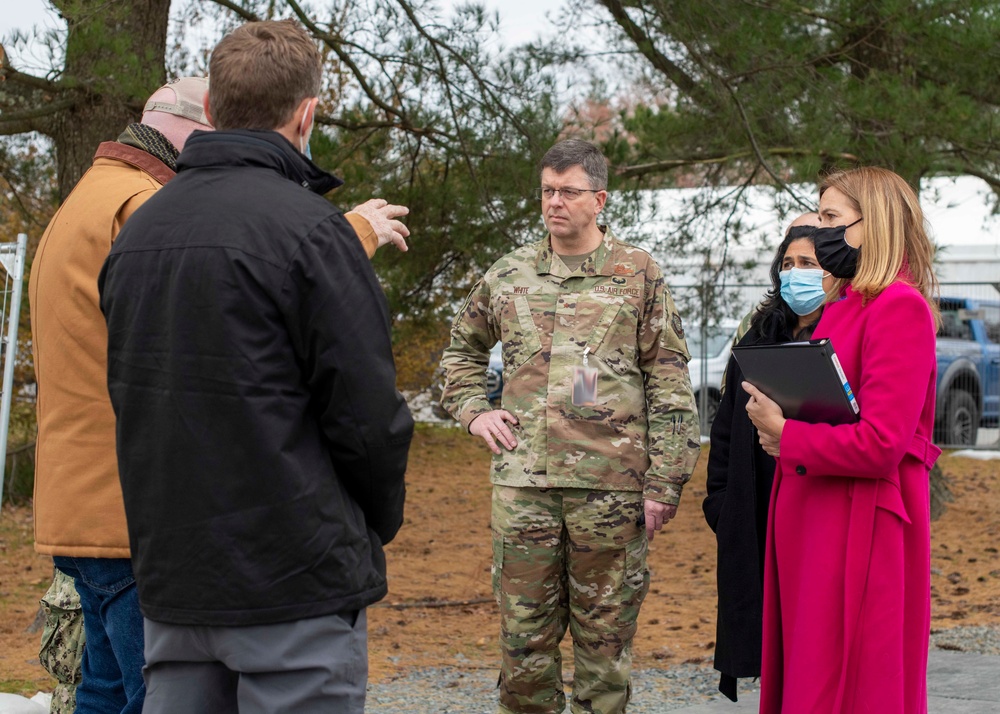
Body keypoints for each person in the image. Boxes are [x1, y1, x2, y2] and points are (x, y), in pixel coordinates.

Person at [98, 20, 413, 714]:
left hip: (176, 575)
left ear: (212, 108)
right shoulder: (312, 231)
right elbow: (368, 417)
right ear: (307, 114)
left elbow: (130, 397)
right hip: (292, 581)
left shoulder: (138, 233)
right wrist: (372, 522)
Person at [440, 139, 701, 714]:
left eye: (568, 192)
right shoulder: (509, 274)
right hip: (525, 490)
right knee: (523, 648)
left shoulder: (637, 273)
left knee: (604, 650)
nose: (554, 202)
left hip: (610, 492)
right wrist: (475, 410)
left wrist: (666, 481)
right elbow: (461, 350)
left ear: (599, 199)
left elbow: (668, 380)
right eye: (547, 191)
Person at [30, 76, 213, 714]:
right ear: (196, 130)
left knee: (104, 695)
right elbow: (227, 309)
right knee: (160, 699)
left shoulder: (87, 196)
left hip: (80, 506)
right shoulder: (143, 206)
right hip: (130, 515)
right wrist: (346, 238)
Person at [743, 167, 942, 713]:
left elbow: (882, 442)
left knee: (853, 682)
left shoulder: (899, 307)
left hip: (861, 523)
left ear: (872, 223)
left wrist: (787, 435)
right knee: (813, 674)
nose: (821, 230)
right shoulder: (845, 306)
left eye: (831, 218)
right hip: (817, 518)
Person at [702, 211, 831, 702]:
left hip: (818, 516)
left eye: (809, 264)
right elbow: (725, 426)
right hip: (757, 516)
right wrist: (721, 503)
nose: (796, 273)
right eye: (789, 263)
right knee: (769, 650)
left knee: (814, 650)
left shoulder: (845, 333)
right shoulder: (756, 334)